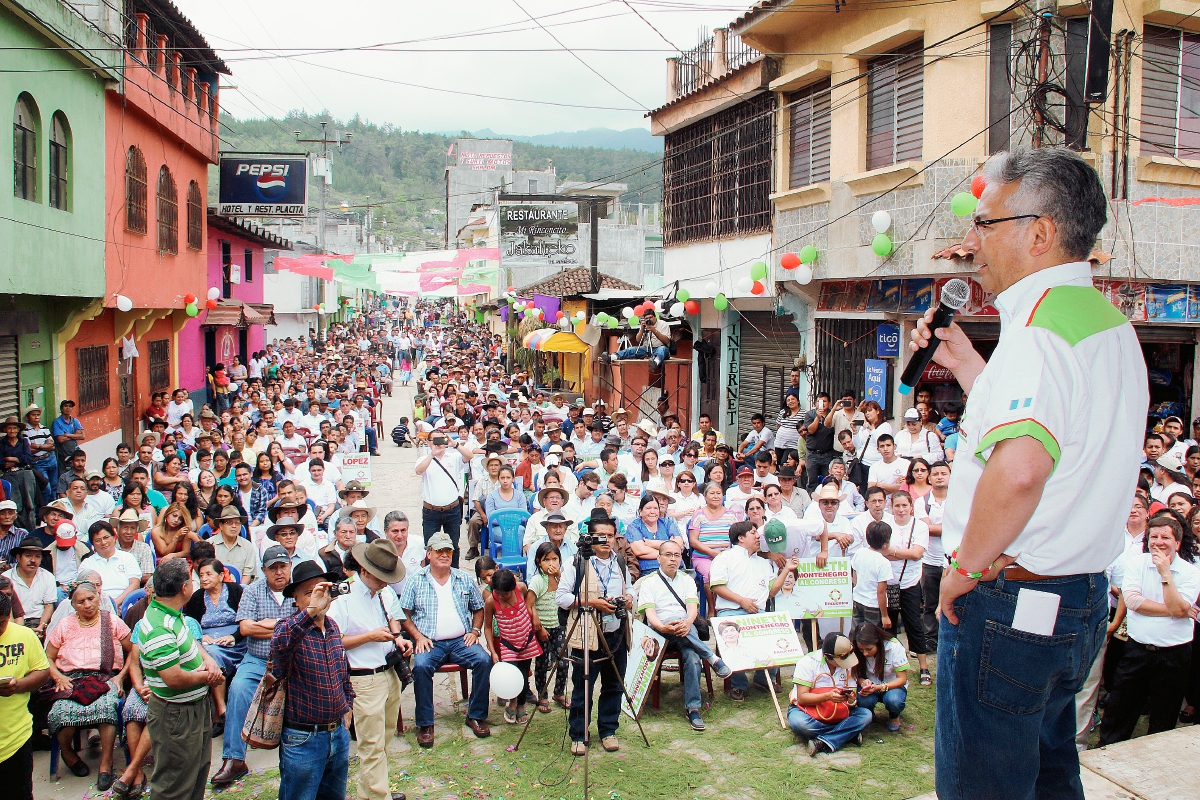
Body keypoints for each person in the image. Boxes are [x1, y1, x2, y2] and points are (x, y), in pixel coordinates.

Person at [915, 147, 1147, 800]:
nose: (968, 243)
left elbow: (1019, 472)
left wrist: (963, 572)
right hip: (1074, 601)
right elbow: (1060, 439)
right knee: (1049, 774)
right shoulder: (1108, 325)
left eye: (984, 224)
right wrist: (965, 366)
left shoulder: (1039, 335)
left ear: (1039, 232)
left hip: (1008, 601)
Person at [1098, 514, 1200, 744]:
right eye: (1154, 536)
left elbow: (1177, 605)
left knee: (1164, 716)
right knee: (1119, 711)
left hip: (1174, 654)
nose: (1159, 542)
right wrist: (1178, 610)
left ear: (1178, 542)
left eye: (1166, 537)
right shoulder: (1137, 563)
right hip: (1137, 651)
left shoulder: (1191, 572)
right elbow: (1133, 601)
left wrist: (1165, 574)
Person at [327, 539, 411, 800]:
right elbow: (333, 641)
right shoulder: (342, 597)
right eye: (381, 577)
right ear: (364, 570)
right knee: (371, 745)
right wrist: (369, 637)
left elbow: (390, 624)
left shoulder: (383, 593)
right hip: (362, 679)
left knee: (382, 742)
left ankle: (373, 791)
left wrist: (399, 639)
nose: (385, 582)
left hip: (389, 673)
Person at [136, 558, 222, 800]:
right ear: (184, 588)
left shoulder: (171, 612)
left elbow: (188, 642)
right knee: (174, 785)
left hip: (193, 708)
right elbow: (173, 678)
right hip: (176, 715)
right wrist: (209, 677)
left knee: (196, 775)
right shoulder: (159, 627)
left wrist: (208, 659)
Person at [210, 545, 294, 787]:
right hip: (258, 660)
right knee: (238, 689)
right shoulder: (253, 590)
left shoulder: (299, 588)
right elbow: (246, 629)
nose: (279, 572)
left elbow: (306, 622)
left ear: (289, 566)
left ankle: (298, 756)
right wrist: (284, 625)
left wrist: (268, 624)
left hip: (291, 661)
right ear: (264, 570)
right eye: (273, 568)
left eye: (283, 566)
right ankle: (234, 759)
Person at [271, 559, 355, 800]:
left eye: (322, 589)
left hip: (337, 734)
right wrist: (310, 613)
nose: (318, 596)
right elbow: (280, 645)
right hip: (303, 739)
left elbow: (343, 671)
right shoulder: (287, 627)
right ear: (296, 600)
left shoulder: (332, 626)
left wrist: (347, 706)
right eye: (309, 592)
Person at [399, 531, 492, 747]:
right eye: (439, 551)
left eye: (448, 551)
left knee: (484, 661)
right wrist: (417, 637)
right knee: (420, 667)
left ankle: (476, 715)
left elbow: (479, 608)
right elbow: (403, 614)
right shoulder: (416, 580)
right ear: (428, 554)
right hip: (430, 642)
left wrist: (475, 631)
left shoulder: (463, 578)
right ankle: (425, 724)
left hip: (461, 639)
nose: (444, 555)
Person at [44, 578, 133, 789]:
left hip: (104, 677)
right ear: (73, 605)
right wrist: (58, 677)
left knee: (107, 707)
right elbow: (46, 658)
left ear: (98, 598)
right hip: (71, 679)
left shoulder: (111, 621)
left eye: (91, 599)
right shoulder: (65, 624)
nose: (87, 605)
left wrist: (120, 677)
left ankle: (106, 762)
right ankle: (68, 753)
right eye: (81, 601)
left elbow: (134, 650)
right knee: (61, 711)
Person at [556, 510, 633, 755]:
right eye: (600, 535)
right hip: (586, 633)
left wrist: (629, 599)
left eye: (610, 535)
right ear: (590, 537)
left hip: (615, 632)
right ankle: (579, 734)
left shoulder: (619, 561)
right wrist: (592, 602)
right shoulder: (576, 562)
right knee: (583, 687)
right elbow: (562, 597)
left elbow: (629, 588)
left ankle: (608, 730)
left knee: (614, 684)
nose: (606, 540)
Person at [637, 539, 732, 731]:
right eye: (668, 555)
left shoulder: (688, 580)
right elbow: (651, 616)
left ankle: (693, 708)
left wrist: (687, 623)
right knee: (672, 619)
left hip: (686, 628)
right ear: (659, 558)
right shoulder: (649, 583)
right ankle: (713, 659)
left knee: (692, 657)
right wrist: (664, 628)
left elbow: (692, 611)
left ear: (681, 558)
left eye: (677, 555)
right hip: (660, 630)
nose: (673, 559)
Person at [710, 520, 795, 701]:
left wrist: (787, 569)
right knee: (732, 635)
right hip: (730, 612)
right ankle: (738, 685)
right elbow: (716, 586)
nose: (758, 536)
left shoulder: (763, 563)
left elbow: (771, 591)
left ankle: (764, 678)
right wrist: (742, 601)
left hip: (758, 614)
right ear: (741, 538)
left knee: (777, 631)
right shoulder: (724, 558)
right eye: (753, 533)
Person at [183, 558, 245, 731]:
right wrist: (201, 637)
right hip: (210, 642)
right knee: (210, 654)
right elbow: (189, 623)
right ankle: (221, 709)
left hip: (236, 640)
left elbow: (247, 619)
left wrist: (234, 636)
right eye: (201, 575)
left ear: (220, 576)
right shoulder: (197, 597)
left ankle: (222, 715)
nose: (204, 578)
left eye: (209, 574)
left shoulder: (235, 590)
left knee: (216, 655)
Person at [788, 632, 873, 755]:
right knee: (800, 724)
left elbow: (852, 699)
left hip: (839, 711)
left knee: (866, 715)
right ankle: (847, 733)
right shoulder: (807, 662)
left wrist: (851, 700)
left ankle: (824, 741)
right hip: (810, 710)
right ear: (828, 656)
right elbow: (802, 698)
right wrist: (827, 696)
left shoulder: (849, 665)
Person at [0, 590, 50, 799]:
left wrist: (19, 685)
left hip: (15, 740)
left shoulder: (24, 635)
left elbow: (43, 672)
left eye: (1, 623)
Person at [483, 567, 542, 724]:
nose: (502, 597)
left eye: (506, 594)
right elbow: (487, 627)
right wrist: (492, 650)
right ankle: (512, 701)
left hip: (527, 641)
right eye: (499, 594)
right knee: (511, 675)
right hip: (508, 645)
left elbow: (531, 603)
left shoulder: (521, 588)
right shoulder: (491, 602)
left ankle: (521, 704)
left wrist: (535, 616)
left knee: (523, 674)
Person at [415, 433, 479, 567]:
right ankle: (431, 574)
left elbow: (469, 456)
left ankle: (454, 572)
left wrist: (454, 444)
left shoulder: (454, 457)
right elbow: (419, 470)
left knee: (453, 545)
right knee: (430, 545)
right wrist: (432, 454)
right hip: (431, 511)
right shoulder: (424, 458)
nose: (438, 443)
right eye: (435, 440)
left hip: (452, 509)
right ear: (428, 442)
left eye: (441, 439)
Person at [851, 622, 910, 732]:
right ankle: (868, 714)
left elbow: (902, 679)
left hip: (892, 685)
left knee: (894, 700)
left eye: (869, 649)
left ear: (878, 642)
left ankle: (894, 716)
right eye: (861, 649)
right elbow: (852, 674)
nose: (865, 653)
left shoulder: (894, 646)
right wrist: (862, 681)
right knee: (862, 699)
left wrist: (879, 687)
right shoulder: (854, 649)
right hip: (870, 686)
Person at [918, 461, 950, 643]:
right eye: (936, 474)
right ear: (929, 477)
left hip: (953, 560)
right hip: (929, 559)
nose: (939, 477)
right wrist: (947, 527)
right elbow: (925, 528)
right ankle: (931, 639)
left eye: (943, 473)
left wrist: (935, 528)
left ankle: (949, 638)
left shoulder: (958, 500)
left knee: (952, 601)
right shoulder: (921, 501)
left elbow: (963, 527)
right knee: (930, 603)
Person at [79, 521, 141, 610]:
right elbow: (84, 590)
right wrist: (107, 606)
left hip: (126, 604)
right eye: (98, 540)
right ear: (92, 544)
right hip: (97, 607)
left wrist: (115, 603)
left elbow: (134, 584)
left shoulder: (127, 558)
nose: (103, 542)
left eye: (106, 537)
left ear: (114, 537)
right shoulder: (87, 563)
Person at [4, 535, 55, 635]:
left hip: (39, 622)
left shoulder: (48, 577)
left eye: (37, 556)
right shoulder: (6, 578)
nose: (33, 560)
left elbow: (49, 606)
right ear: (18, 557)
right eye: (28, 556)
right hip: (14, 623)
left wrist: (42, 626)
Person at [851, 522, 893, 630]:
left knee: (856, 633)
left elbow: (854, 578)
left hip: (858, 600)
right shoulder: (883, 562)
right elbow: (881, 592)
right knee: (871, 636)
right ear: (886, 544)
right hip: (873, 605)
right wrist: (884, 615)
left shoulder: (859, 552)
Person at [599, 308, 671, 369]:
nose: (649, 320)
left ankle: (655, 362)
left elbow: (666, 341)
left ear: (655, 317)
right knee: (631, 349)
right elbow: (638, 340)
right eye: (647, 318)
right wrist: (642, 329)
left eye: (651, 317)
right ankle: (612, 357)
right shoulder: (645, 324)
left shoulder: (663, 324)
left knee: (662, 349)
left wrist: (654, 330)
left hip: (660, 349)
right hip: (646, 349)